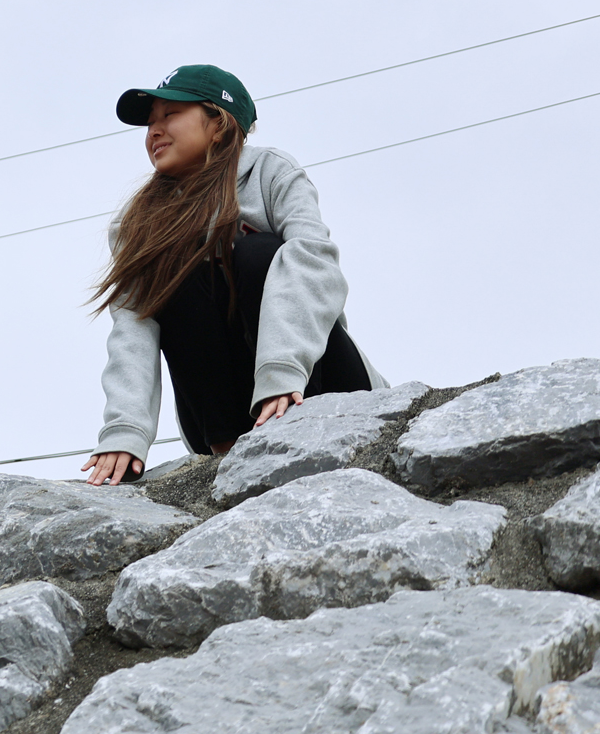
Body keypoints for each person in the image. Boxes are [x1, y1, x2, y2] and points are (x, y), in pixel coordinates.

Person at [83, 65, 387, 486]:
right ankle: (231, 451)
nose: (153, 131)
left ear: (219, 124)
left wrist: (282, 371)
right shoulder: (137, 222)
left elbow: (314, 260)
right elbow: (132, 328)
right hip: (221, 416)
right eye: (150, 122)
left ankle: (295, 411)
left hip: (318, 381)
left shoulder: (270, 172)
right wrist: (124, 433)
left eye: (169, 114)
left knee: (259, 252)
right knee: (177, 275)